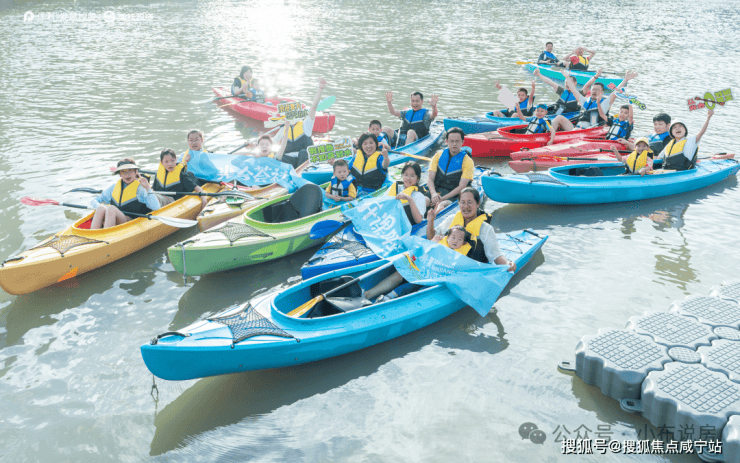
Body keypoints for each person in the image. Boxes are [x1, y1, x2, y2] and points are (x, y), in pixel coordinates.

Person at [364, 188, 515, 303]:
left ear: (477, 203)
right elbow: (432, 237)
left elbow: (496, 256)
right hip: (439, 264)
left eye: (470, 203)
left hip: (461, 273)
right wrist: (430, 221)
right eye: (462, 202)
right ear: (458, 204)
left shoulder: (486, 230)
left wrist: (508, 263)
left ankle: (390, 298)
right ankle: (367, 295)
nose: (466, 206)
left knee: (424, 282)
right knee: (405, 269)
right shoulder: (451, 220)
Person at [548, 71, 638, 142]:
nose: (594, 91)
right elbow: (573, 89)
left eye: (597, 90)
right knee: (558, 117)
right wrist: (567, 77)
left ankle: (555, 139)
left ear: (602, 92)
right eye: (593, 89)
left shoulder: (604, 103)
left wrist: (625, 80)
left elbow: (615, 93)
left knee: (574, 130)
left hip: (589, 132)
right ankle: (549, 136)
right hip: (576, 129)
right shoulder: (585, 101)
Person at [90, 159, 161, 229]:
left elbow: (156, 207)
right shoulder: (113, 187)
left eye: (130, 170)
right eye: (123, 171)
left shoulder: (141, 188)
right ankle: (94, 233)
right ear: (120, 174)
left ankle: (106, 234)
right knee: (100, 208)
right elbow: (95, 200)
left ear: (136, 172)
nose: (127, 174)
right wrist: (99, 206)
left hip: (134, 222)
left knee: (111, 208)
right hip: (117, 219)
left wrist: (147, 187)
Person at [427, 127, 475, 211]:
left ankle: (432, 218)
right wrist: (433, 194)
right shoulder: (438, 156)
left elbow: (462, 186)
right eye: (451, 141)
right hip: (435, 192)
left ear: (462, 142)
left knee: (440, 205)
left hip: (453, 196)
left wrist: (442, 199)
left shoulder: (468, 161)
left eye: (457, 141)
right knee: (424, 201)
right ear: (447, 141)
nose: (454, 144)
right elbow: (430, 178)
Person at [280, 77, 327, 157]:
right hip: (288, 159)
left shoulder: (306, 124)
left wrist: (320, 89)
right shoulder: (283, 128)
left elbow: (313, 107)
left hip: (304, 159)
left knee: (303, 152)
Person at [532, 67, 601, 115]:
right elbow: (550, 82)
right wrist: (539, 75)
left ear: (575, 83)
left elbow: (587, 85)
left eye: (569, 82)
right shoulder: (562, 91)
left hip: (569, 115)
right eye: (566, 83)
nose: (567, 84)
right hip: (556, 112)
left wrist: (596, 76)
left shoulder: (579, 93)